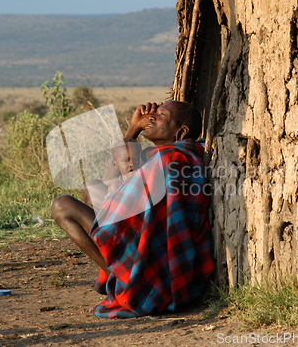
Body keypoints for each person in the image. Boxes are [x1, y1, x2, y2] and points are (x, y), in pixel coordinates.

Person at [52, 101, 214, 317]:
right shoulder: (172, 156)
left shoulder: (169, 159)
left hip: (156, 266)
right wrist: (133, 129)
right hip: (157, 252)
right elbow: (115, 178)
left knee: (62, 205)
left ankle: (125, 278)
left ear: (181, 131)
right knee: (91, 190)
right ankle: (123, 273)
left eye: (162, 115)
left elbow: (120, 209)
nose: (152, 117)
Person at [82, 138, 142, 211]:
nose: (131, 164)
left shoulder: (142, 178)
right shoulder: (116, 186)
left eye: (136, 159)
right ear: (115, 164)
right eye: (126, 160)